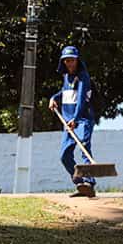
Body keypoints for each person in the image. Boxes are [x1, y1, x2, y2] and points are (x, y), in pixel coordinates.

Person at [48, 46, 97, 197]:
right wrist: (53, 98)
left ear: (77, 60)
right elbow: (64, 93)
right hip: (68, 122)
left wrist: (75, 119)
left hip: (82, 119)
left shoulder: (83, 76)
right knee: (64, 156)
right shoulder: (66, 77)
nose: (70, 63)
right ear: (63, 62)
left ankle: (89, 183)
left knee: (84, 147)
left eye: (72, 60)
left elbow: (81, 99)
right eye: (67, 60)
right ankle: (80, 183)